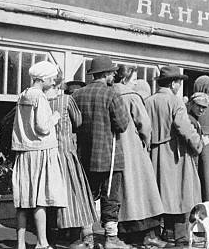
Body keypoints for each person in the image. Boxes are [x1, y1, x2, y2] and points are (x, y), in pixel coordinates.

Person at [73, 56, 131, 249]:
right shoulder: (111, 94)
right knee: (110, 198)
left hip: (84, 156)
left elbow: (73, 125)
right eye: (112, 72)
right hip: (109, 156)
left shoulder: (77, 95)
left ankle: (87, 238)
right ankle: (111, 239)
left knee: (86, 196)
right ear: (105, 74)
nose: (114, 74)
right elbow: (122, 125)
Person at [145, 66, 204, 246]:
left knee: (160, 195)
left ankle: (164, 234)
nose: (180, 86)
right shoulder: (175, 102)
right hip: (174, 153)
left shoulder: (148, 101)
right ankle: (180, 237)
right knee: (179, 196)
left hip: (154, 152)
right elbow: (183, 126)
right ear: (173, 83)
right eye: (179, 82)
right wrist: (198, 144)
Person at [12, 61, 67, 249]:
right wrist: (56, 117)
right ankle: (42, 243)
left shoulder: (23, 95)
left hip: (23, 152)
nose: (53, 83)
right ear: (43, 79)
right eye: (51, 79)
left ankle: (20, 244)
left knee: (23, 202)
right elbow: (42, 127)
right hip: (40, 152)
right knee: (39, 200)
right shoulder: (40, 98)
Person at [113, 67, 170, 248]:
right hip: (134, 148)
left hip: (115, 149)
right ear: (126, 79)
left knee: (124, 194)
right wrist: (146, 142)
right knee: (143, 191)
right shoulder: (131, 96)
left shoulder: (110, 93)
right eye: (134, 79)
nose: (135, 83)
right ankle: (147, 236)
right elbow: (144, 125)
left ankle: (125, 235)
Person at [47, 73, 97, 249]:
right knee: (74, 193)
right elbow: (78, 121)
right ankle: (75, 236)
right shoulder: (66, 101)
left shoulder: (43, 101)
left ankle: (57, 233)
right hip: (66, 151)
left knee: (53, 194)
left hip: (49, 154)